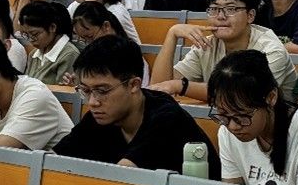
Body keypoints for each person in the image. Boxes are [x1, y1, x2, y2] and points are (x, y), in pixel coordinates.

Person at [53, 37, 217, 174]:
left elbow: (124, 176)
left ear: (133, 85)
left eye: (102, 91)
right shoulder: (99, 116)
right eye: (86, 91)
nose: (92, 102)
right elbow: (53, 161)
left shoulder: (167, 118)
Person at [151, 0, 296, 101]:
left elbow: (243, 97)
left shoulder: (271, 49)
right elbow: (158, 89)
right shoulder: (208, 44)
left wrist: (181, 86)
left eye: (230, 9)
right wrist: (172, 34)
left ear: (250, 15)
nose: (220, 16)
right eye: (214, 9)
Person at [209, 51, 298, 185]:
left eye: (242, 116)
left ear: (271, 97)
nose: (232, 126)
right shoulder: (226, 132)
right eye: (223, 115)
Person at [18, 1, 80, 84]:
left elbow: (64, 91)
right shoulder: (33, 55)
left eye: (35, 34)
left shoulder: (69, 55)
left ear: (52, 27)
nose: (31, 40)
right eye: (26, 35)